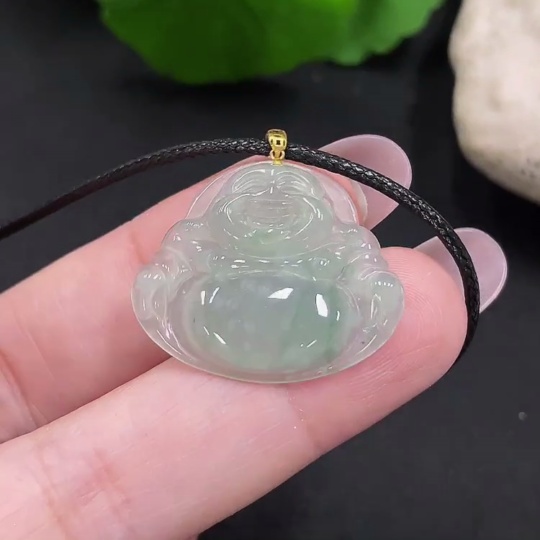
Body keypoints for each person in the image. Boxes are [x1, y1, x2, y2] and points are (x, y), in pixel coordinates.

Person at [0, 135, 507, 539]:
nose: (271, 209)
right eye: (254, 200)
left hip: (313, 315)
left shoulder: (339, 245)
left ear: (314, 208)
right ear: (228, 207)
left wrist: (368, 287)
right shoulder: (198, 238)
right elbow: (165, 274)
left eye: (289, 200)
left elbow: (368, 276)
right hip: (216, 309)